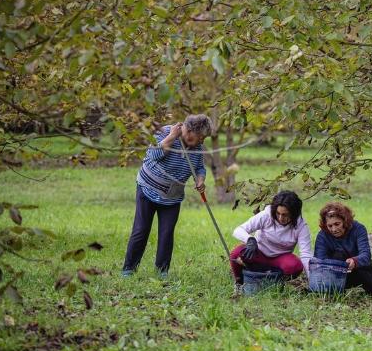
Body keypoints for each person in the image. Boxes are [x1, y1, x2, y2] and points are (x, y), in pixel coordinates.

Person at [122, 114, 212, 278]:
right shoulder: (164, 132)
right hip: (148, 188)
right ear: (190, 130)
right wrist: (172, 137)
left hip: (172, 196)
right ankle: (129, 269)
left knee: (166, 233)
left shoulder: (197, 147)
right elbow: (153, 155)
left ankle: (162, 271)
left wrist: (200, 180)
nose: (202, 141)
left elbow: (199, 167)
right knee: (141, 230)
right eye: (201, 137)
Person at [229, 190, 312, 295]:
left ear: (294, 213)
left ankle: (275, 284)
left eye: (285, 214)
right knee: (236, 253)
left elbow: (305, 254)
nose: (281, 218)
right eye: (278, 213)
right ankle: (239, 283)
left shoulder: (301, 226)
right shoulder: (266, 215)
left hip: (280, 259)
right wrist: (250, 240)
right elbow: (238, 230)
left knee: (295, 265)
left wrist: (312, 282)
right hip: (258, 253)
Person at [313, 202, 372, 295]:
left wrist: (354, 261)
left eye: (337, 224)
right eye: (330, 226)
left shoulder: (358, 229)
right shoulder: (322, 235)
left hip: (359, 270)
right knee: (338, 254)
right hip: (334, 274)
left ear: (345, 220)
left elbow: (366, 255)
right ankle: (335, 290)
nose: (334, 229)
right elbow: (319, 261)